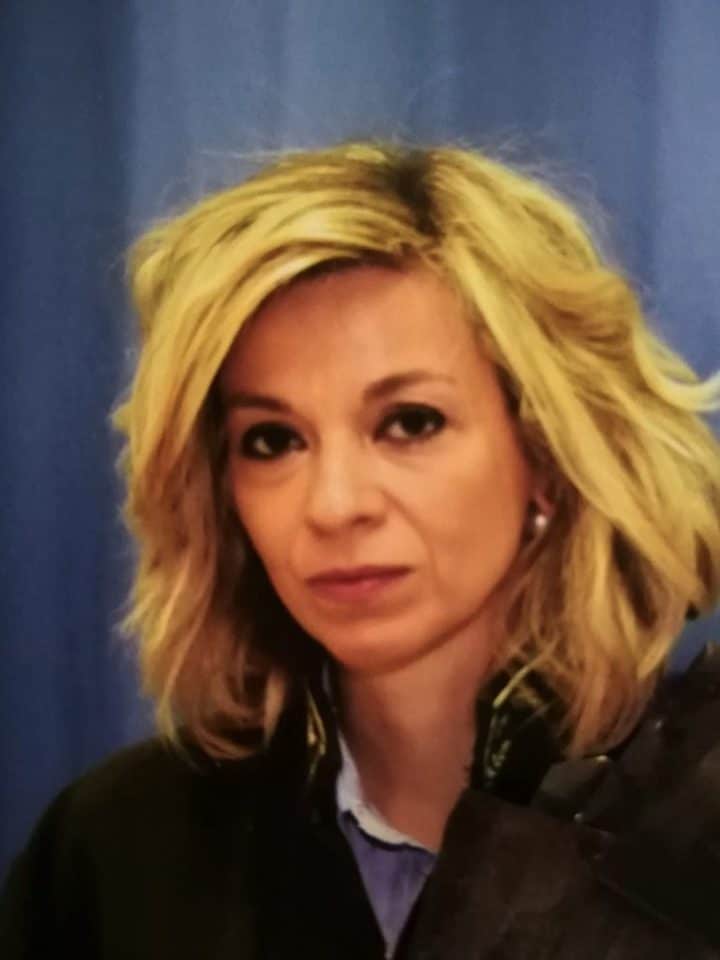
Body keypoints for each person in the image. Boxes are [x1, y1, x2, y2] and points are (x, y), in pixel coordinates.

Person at [2, 141, 720, 959]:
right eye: (272, 440)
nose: (335, 506)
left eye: (409, 423)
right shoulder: (114, 850)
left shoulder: (698, 826)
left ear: (548, 459)